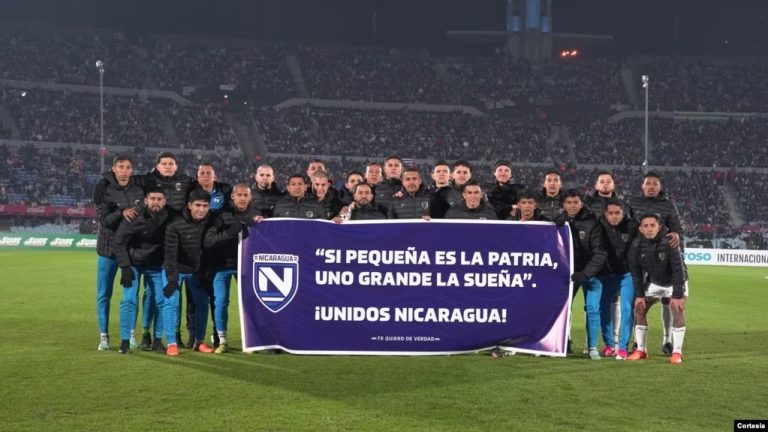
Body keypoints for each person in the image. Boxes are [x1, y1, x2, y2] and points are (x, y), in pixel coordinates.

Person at [143, 151, 197, 347]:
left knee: (173, 292)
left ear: (176, 166)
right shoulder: (147, 181)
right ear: (157, 166)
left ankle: (174, 333)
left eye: (171, 163)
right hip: (154, 245)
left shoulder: (187, 181)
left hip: (177, 241)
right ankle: (147, 333)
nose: (167, 166)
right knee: (151, 292)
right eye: (164, 163)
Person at [628, 171, 684, 356]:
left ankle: (668, 341)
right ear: (642, 186)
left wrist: (676, 234)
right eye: (648, 183)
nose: (651, 186)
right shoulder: (633, 203)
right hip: (641, 257)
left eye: (655, 184)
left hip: (663, 257)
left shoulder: (668, 206)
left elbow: (677, 230)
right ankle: (638, 344)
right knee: (637, 302)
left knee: (670, 302)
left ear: (660, 187)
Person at [93, 155, 144, 351]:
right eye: (121, 166)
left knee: (131, 296)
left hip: (131, 251)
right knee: (104, 295)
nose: (124, 170)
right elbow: (103, 220)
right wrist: (121, 212)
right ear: (114, 168)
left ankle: (130, 334)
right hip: (107, 250)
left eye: (128, 167)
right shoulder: (103, 188)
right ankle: (104, 337)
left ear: (132, 170)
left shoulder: (139, 188)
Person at [203, 183, 261, 353]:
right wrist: (229, 232)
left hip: (247, 267)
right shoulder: (222, 216)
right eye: (239, 195)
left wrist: (261, 224)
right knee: (220, 302)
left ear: (250, 198)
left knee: (250, 302)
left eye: (245, 195)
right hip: (222, 266)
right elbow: (209, 241)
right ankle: (222, 340)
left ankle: (251, 340)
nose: (242, 198)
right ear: (232, 197)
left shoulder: (257, 216)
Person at [113, 185, 170, 354]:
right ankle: (124, 341)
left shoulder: (169, 218)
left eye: (159, 199)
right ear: (145, 201)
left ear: (165, 202)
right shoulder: (133, 217)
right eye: (152, 199)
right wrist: (125, 266)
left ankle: (158, 340)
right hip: (133, 265)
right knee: (129, 300)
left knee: (161, 301)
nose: (156, 202)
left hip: (156, 266)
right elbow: (119, 242)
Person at [627, 213, 688, 364]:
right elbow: (636, 274)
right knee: (640, 308)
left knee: (676, 308)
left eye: (652, 225)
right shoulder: (635, 246)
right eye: (645, 226)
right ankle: (641, 350)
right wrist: (640, 295)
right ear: (640, 229)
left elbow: (678, 270)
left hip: (675, 281)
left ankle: (676, 353)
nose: (649, 229)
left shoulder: (670, 242)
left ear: (659, 227)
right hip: (654, 282)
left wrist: (678, 295)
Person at [162, 189, 215, 356]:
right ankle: (171, 343)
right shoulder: (175, 225)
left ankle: (199, 341)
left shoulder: (211, 221)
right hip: (175, 269)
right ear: (189, 205)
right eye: (197, 205)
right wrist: (171, 280)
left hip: (195, 271)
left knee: (202, 302)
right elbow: (170, 254)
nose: (201, 209)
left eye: (205, 206)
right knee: (171, 302)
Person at [557, 189, 607, 360]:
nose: (572, 206)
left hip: (591, 274)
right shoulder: (558, 222)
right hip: (569, 275)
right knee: (562, 308)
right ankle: (561, 343)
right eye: (569, 202)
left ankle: (592, 347)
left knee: (593, 309)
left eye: (575, 202)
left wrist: (585, 273)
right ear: (564, 204)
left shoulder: (593, 223)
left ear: (582, 203)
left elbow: (600, 253)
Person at [597, 198, 638, 359]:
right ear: (605, 214)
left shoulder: (633, 226)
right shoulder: (599, 225)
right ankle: (609, 345)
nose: (614, 217)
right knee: (603, 308)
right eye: (611, 213)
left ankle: (622, 347)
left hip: (627, 274)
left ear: (623, 213)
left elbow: (657, 228)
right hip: (607, 274)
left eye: (617, 213)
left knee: (627, 309)